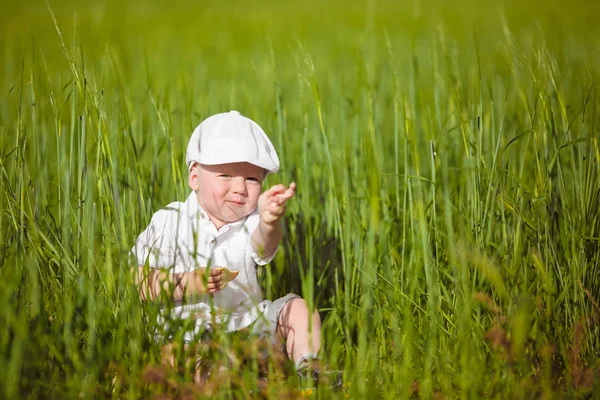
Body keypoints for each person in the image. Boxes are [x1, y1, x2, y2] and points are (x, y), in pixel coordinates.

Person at [131, 110, 321, 382]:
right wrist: (186, 283)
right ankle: (232, 384)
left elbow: (264, 245)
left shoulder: (252, 221)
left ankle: (310, 370)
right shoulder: (169, 222)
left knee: (300, 309)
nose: (240, 188)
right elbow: (139, 283)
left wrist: (269, 220)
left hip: (247, 329)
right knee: (180, 354)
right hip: (188, 334)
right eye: (226, 175)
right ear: (195, 177)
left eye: (252, 179)